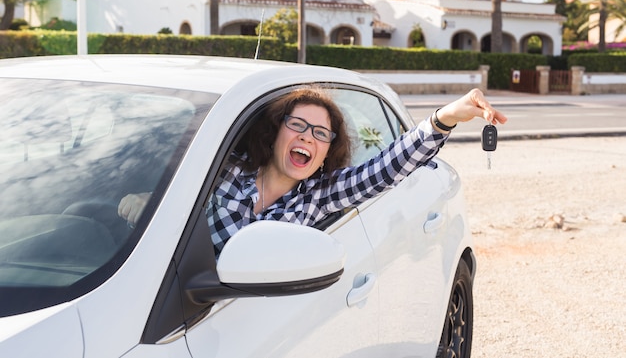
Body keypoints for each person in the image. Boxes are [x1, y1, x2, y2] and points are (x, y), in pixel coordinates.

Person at [118, 87, 507, 256]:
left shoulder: (320, 195)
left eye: (321, 133)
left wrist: (444, 119)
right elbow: (174, 185)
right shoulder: (226, 168)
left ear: (326, 152)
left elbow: (386, 168)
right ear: (275, 131)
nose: (308, 136)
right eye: (298, 125)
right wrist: (148, 202)